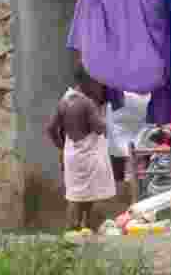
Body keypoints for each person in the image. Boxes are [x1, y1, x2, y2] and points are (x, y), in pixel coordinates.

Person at [46, 64, 117, 232]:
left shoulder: (65, 101)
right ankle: (87, 229)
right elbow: (100, 128)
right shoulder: (87, 103)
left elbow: (50, 128)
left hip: (72, 155)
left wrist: (62, 148)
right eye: (96, 82)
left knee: (75, 195)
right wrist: (103, 118)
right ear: (89, 81)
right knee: (92, 195)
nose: (99, 85)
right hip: (88, 156)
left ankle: (73, 230)